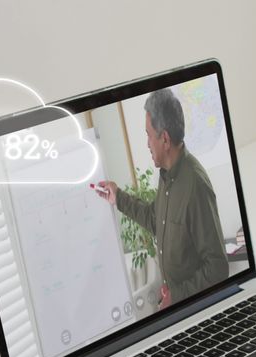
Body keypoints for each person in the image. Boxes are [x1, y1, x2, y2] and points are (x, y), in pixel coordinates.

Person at [93, 88, 228, 308]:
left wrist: (177, 296)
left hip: (195, 311)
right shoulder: (166, 176)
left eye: (148, 134)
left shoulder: (195, 185)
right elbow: (154, 218)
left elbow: (217, 268)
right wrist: (118, 197)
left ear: (164, 138)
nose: (147, 143)